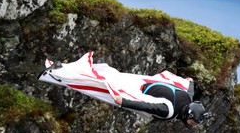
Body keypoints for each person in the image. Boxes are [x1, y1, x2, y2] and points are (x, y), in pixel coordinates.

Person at [38, 52, 211, 128]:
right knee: (101, 86)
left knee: (110, 75)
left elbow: (189, 86)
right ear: (188, 114)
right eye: (193, 121)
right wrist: (123, 102)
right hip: (137, 90)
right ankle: (56, 73)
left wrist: (190, 81)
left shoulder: (188, 98)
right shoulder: (169, 111)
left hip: (144, 82)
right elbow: (146, 107)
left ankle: (63, 70)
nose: (193, 125)